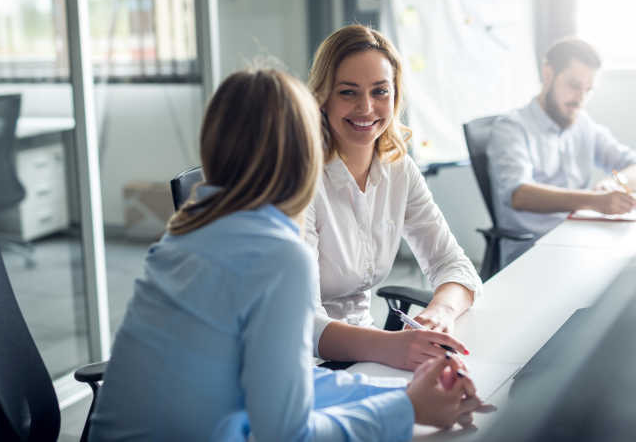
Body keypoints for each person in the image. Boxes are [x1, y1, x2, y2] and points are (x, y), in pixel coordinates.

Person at [88, 68, 491, 441]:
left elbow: (283, 382)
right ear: (306, 154)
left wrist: (406, 392)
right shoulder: (276, 256)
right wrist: (407, 408)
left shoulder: (187, 233)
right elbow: (288, 434)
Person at [305, 25, 483, 371]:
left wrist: (439, 314)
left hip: (364, 355)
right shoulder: (299, 179)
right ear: (322, 97)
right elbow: (301, 325)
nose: (366, 108)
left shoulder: (397, 169)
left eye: (380, 91)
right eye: (348, 92)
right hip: (302, 368)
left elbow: (455, 265)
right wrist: (393, 348)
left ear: (395, 95)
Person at [487, 37, 636, 267]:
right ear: (548, 74)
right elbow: (519, 194)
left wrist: (614, 184)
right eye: (574, 86)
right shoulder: (511, 128)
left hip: (578, 241)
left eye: (588, 90)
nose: (581, 99)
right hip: (533, 253)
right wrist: (595, 201)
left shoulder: (582, 123)